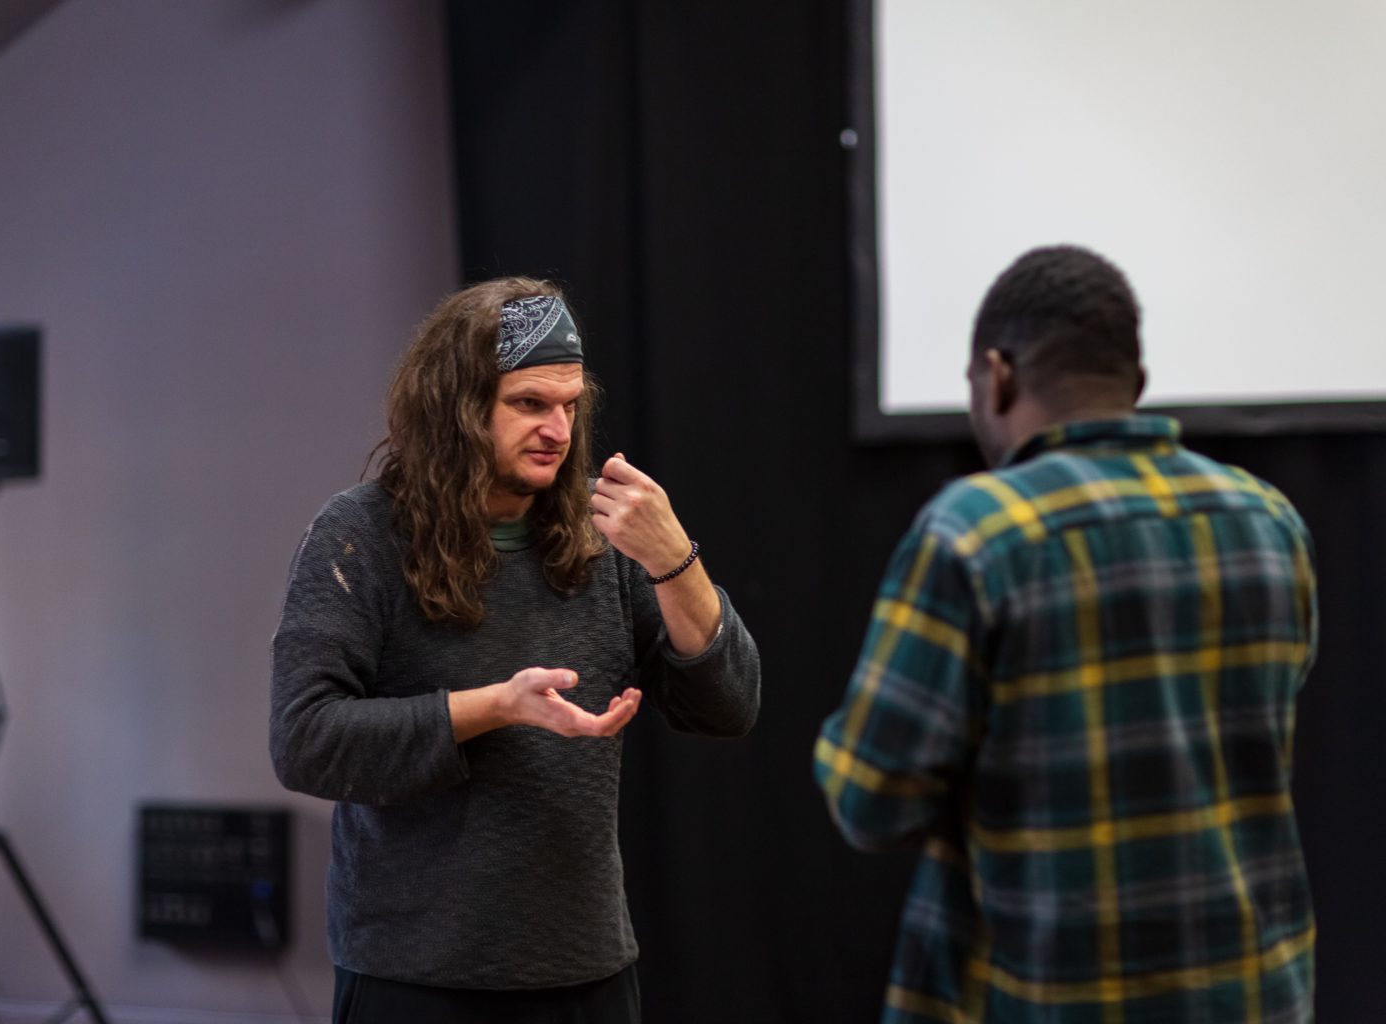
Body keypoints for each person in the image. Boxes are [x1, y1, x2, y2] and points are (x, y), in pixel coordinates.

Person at [816, 246, 1317, 1022]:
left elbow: (871, 800)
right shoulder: (1270, 520)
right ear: (1137, 387)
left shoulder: (974, 534)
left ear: (998, 374)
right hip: (1250, 993)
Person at [270, 277, 760, 1023]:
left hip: (585, 970)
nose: (558, 431)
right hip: (415, 975)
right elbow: (305, 741)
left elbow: (728, 706)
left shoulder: (607, 535)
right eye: (529, 404)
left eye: (569, 406)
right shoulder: (359, 536)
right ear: (458, 409)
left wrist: (674, 561)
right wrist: (496, 707)